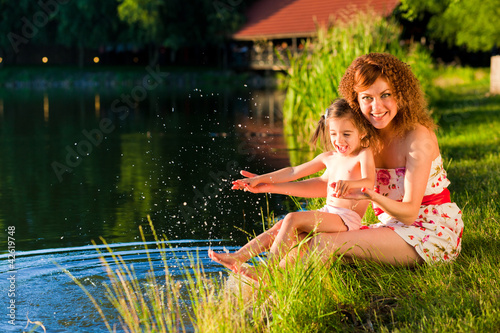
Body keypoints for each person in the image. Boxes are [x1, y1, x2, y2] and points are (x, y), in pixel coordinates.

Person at [302, 52, 464, 266]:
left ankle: (268, 291)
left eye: (385, 95)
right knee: (303, 237)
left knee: (323, 243)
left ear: (401, 94)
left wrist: (371, 195)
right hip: (391, 229)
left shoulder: (417, 138)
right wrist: (270, 184)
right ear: (356, 101)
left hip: (430, 231)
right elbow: (328, 183)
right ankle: (254, 282)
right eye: (367, 98)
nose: (377, 107)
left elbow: (409, 214)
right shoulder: (364, 140)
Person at [209, 98, 376, 274]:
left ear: (362, 132)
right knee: (280, 226)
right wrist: (260, 179)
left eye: (346, 134)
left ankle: (268, 272)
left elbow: (369, 182)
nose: (339, 140)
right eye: (333, 134)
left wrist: (350, 184)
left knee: (292, 218)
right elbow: (292, 171)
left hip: (347, 219)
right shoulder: (329, 157)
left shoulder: (363, 154)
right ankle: (239, 256)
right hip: (329, 212)